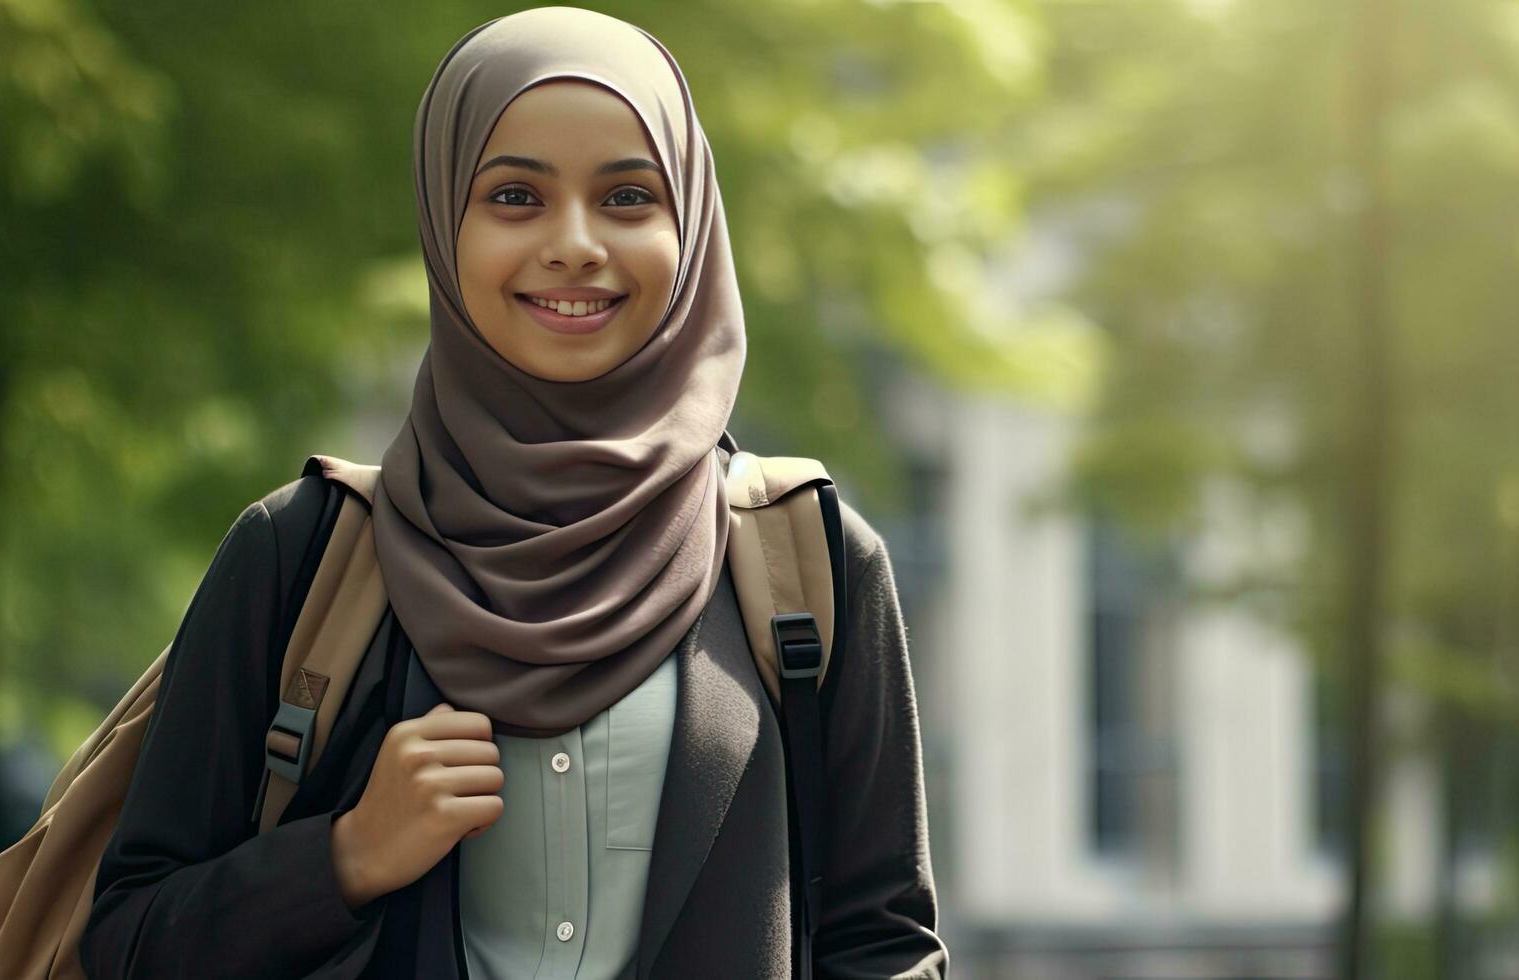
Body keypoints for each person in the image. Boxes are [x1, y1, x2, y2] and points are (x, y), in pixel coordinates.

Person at [80, 8, 948, 977]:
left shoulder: (807, 560)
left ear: (693, 223)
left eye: (626, 196)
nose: (574, 244)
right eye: (514, 196)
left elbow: (886, 945)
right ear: (444, 223)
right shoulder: (303, 555)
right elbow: (125, 938)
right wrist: (346, 856)